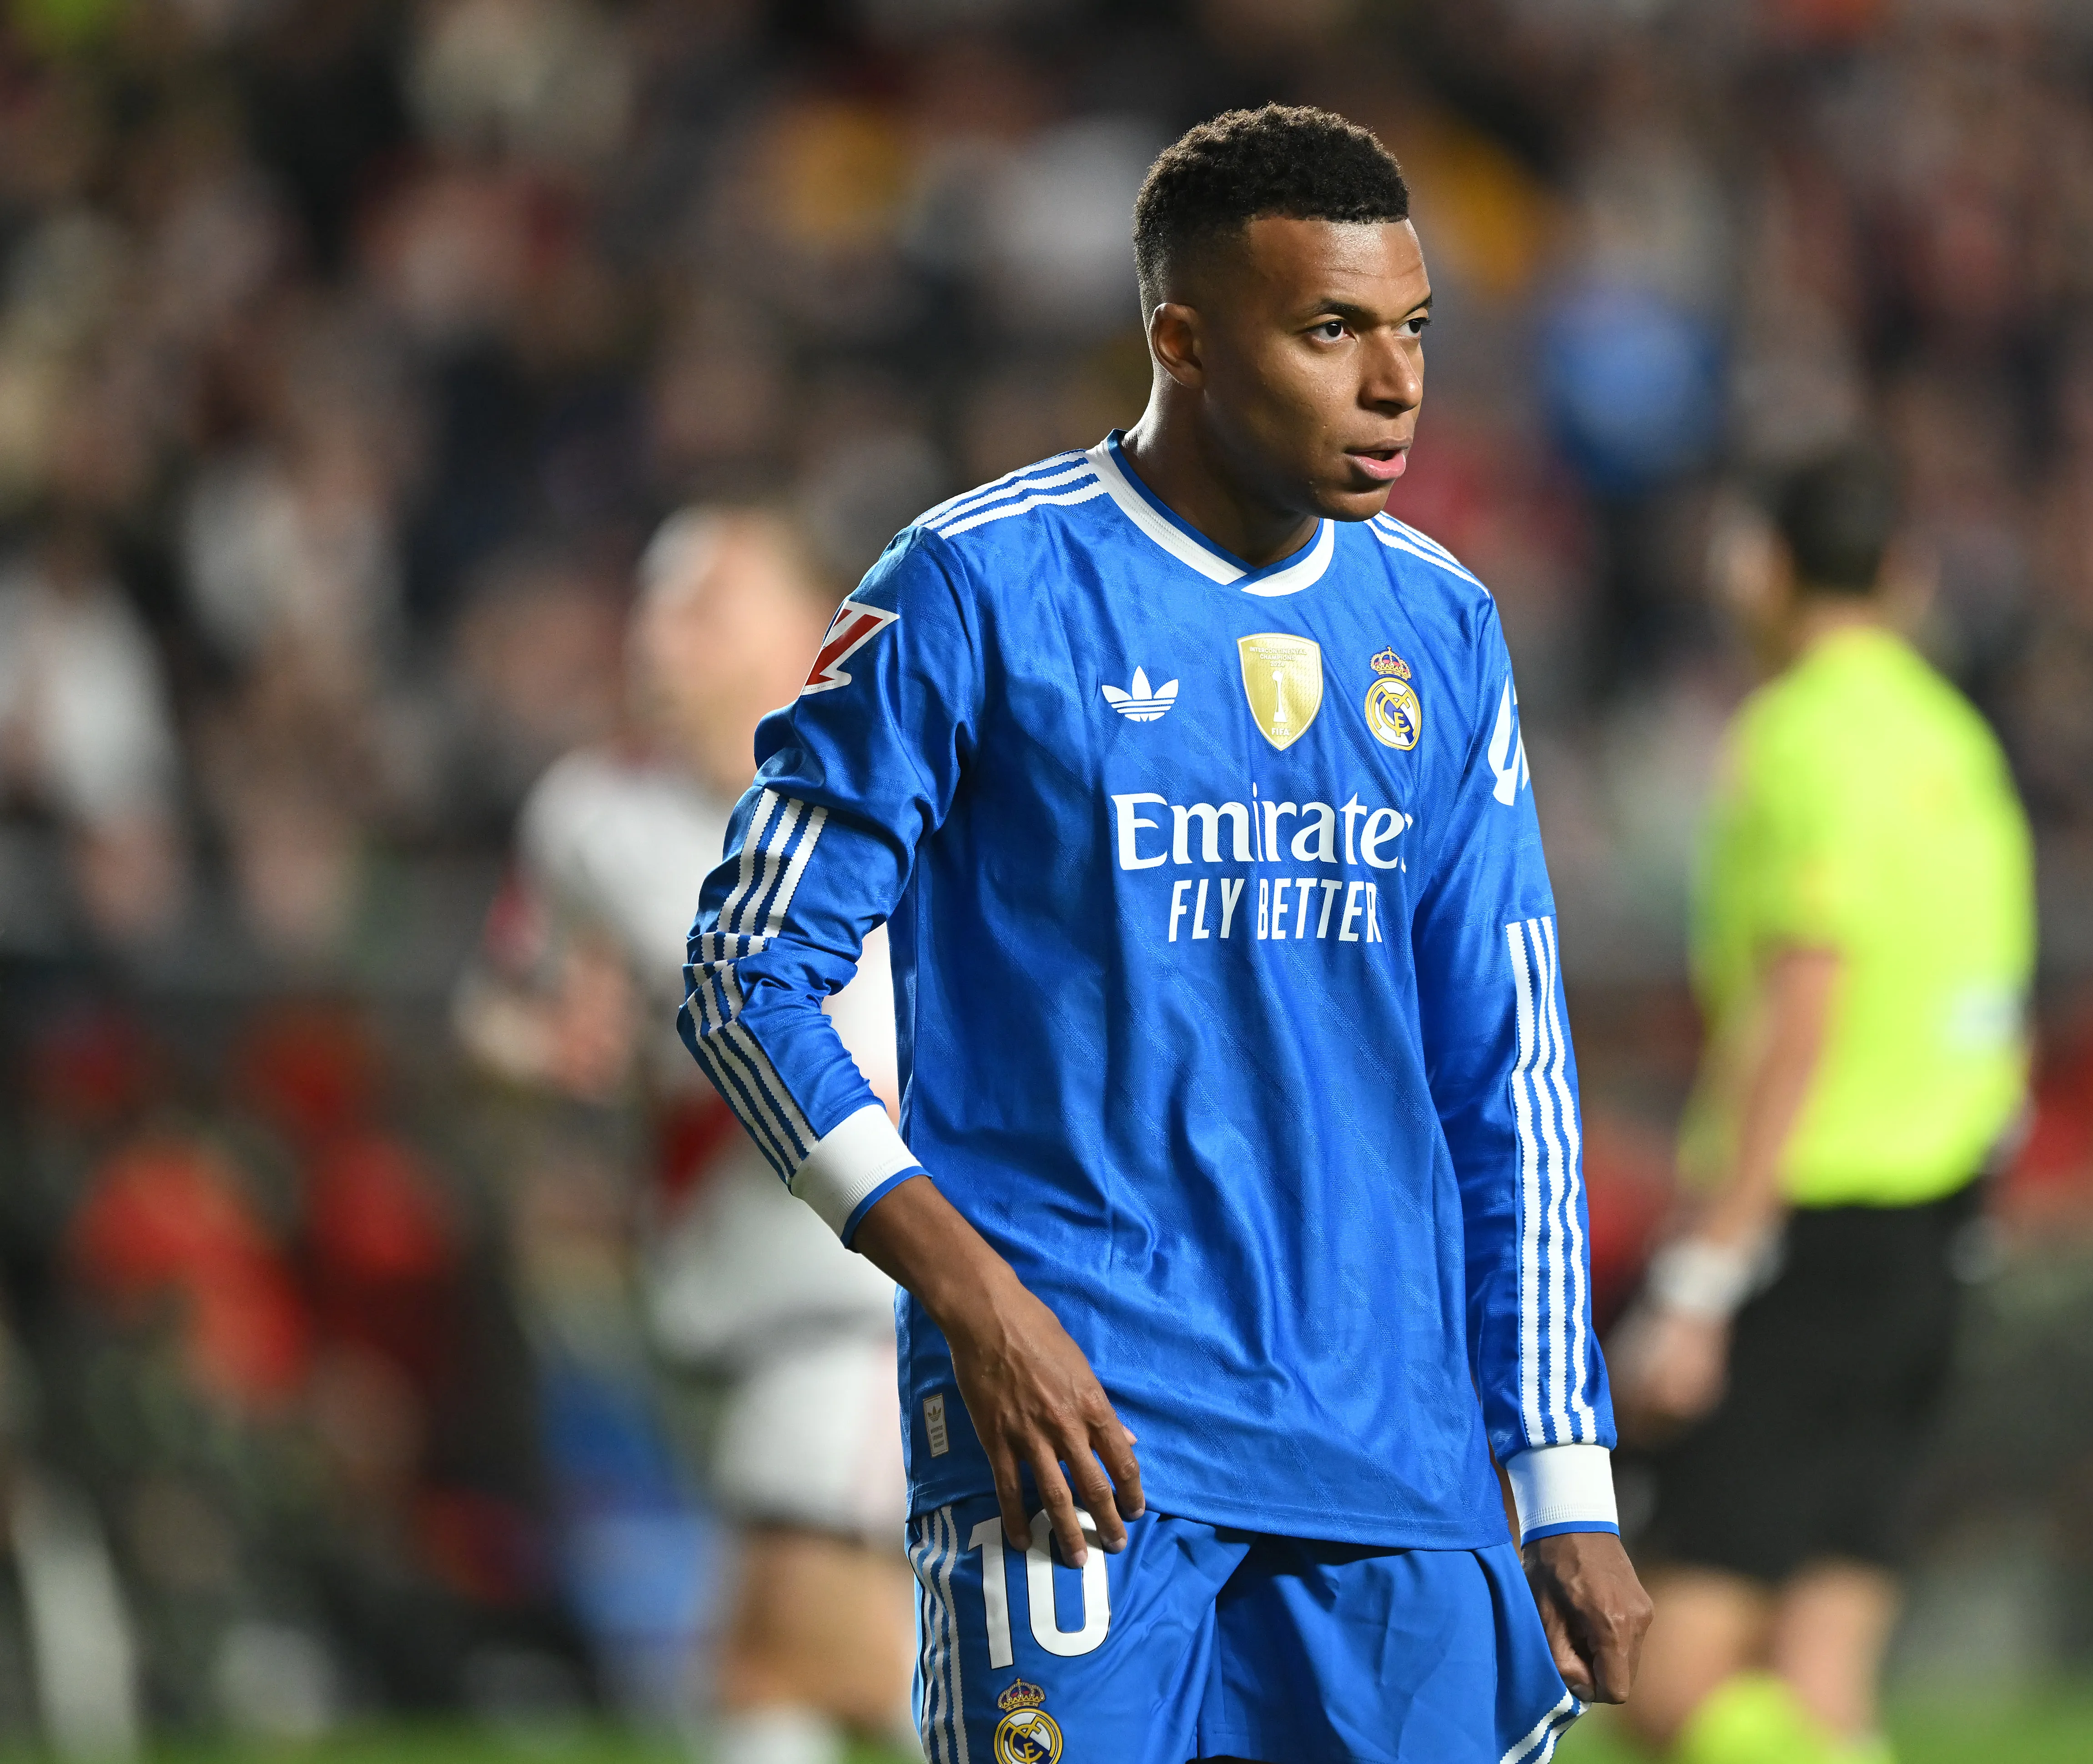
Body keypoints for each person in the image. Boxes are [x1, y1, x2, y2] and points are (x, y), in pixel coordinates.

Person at [674, 106, 1651, 1764]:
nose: (1396, 384)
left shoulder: (1441, 625)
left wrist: (1564, 1477)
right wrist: (975, 1300)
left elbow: (1512, 1075)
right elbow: (744, 970)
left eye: (1415, 329)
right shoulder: (973, 589)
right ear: (1182, 341)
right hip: (1080, 1443)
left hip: (1395, 1459)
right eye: (1331, 330)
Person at [458, 509, 922, 1764]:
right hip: (710, 1299)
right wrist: (544, 1052)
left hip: (878, 1292)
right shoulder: (590, 817)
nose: (663, 635)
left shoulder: (913, 780)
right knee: (799, 1666)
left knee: (788, 1642)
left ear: (811, 621)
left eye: (707, 604)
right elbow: (501, 1012)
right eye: (654, 603)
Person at [1610, 448, 2034, 1764]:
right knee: (1822, 1674)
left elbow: (1800, 1013)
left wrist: (1700, 1280)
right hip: (1936, 1228)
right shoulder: (1957, 742)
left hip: (1813, 1227)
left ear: (1765, 570)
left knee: (1660, 1677)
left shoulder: (1797, 739)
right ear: (1905, 576)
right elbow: (1994, 1001)